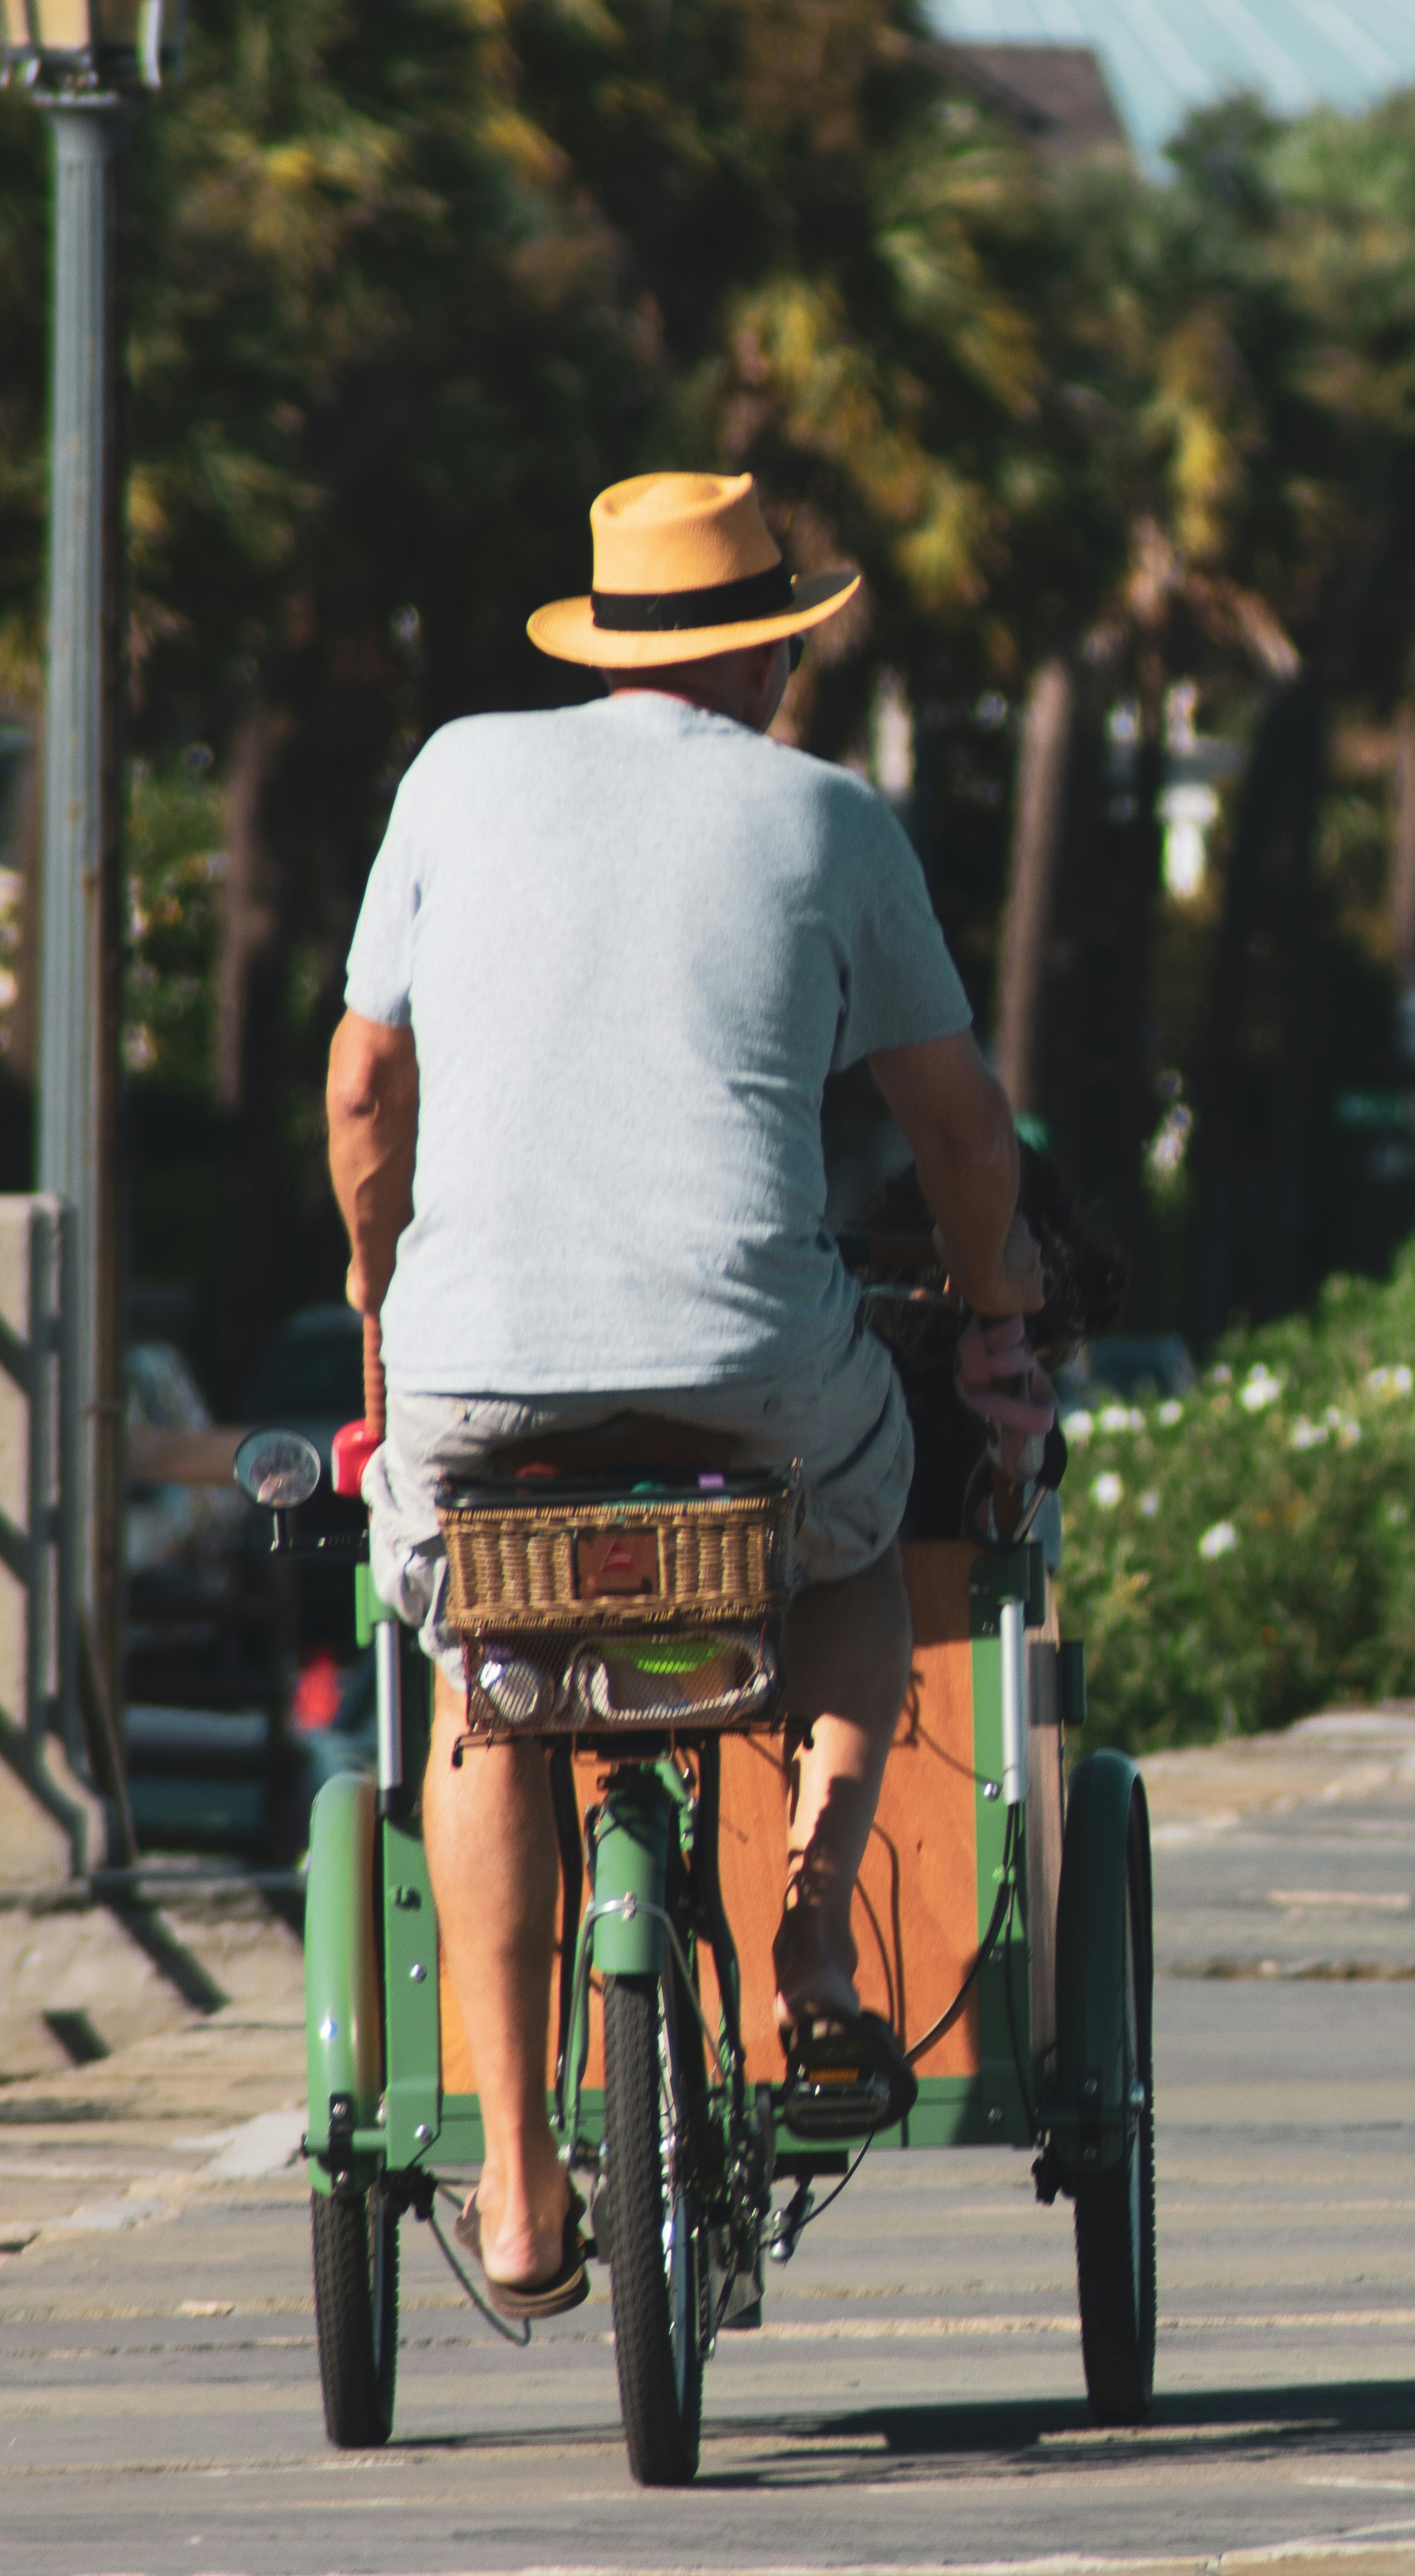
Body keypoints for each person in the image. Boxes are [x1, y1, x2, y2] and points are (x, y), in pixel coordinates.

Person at [331, 472, 1048, 2318]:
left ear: (605, 640)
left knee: (481, 1688)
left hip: (481, 1376)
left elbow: (361, 1092)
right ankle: (813, 1937)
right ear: (766, 659)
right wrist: (993, 1312)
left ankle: (513, 2180)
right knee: (856, 1542)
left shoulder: (454, 775)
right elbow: (960, 1128)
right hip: (753, 1374)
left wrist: (375, 1296)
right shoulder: (827, 816)